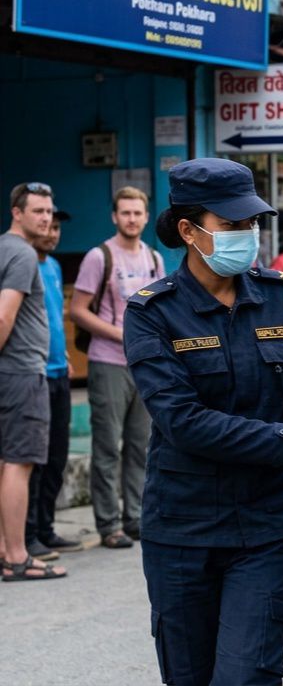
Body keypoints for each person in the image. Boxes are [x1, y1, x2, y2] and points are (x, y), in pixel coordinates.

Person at [124, 158, 283, 684]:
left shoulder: (280, 297)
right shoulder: (151, 313)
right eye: (232, 225)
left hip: (267, 524)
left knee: (248, 675)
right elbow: (182, 421)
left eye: (252, 224)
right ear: (189, 231)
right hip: (183, 529)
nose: (248, 236)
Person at [68, 186, 165, 549]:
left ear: (145, 216)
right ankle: (109, 523)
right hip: (107, 363)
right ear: (114, 216)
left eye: (137, 213)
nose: (132, 219)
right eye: (125, 213)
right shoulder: (99, 257)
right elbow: (77, 310)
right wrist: (120, 334)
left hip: (144, 364)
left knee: (141, 445)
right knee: (107, 446)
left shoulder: (153, 258)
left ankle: (136, 517)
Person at [0, 183, 64, 582]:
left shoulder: (3, 247)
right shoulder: (22, 253)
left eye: (49, 211)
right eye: (38, 211)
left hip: (12, 374)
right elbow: (5, 317)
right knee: (18, 465)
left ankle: (5, 550)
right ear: (17, 213)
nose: (46, 218)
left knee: (5, 464)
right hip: (22, 373)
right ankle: (17, 556)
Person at [26, 209, 83, 560]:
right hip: (34, 375)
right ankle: (27, 533)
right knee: (33, 460)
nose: (52, 230)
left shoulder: (54, 266)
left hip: (61, 371)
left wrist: (65, 355)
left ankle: (45, 529)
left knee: (57, 457)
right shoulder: (20, 263)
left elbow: (52, 319)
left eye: (58, 225)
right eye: (46, 222)